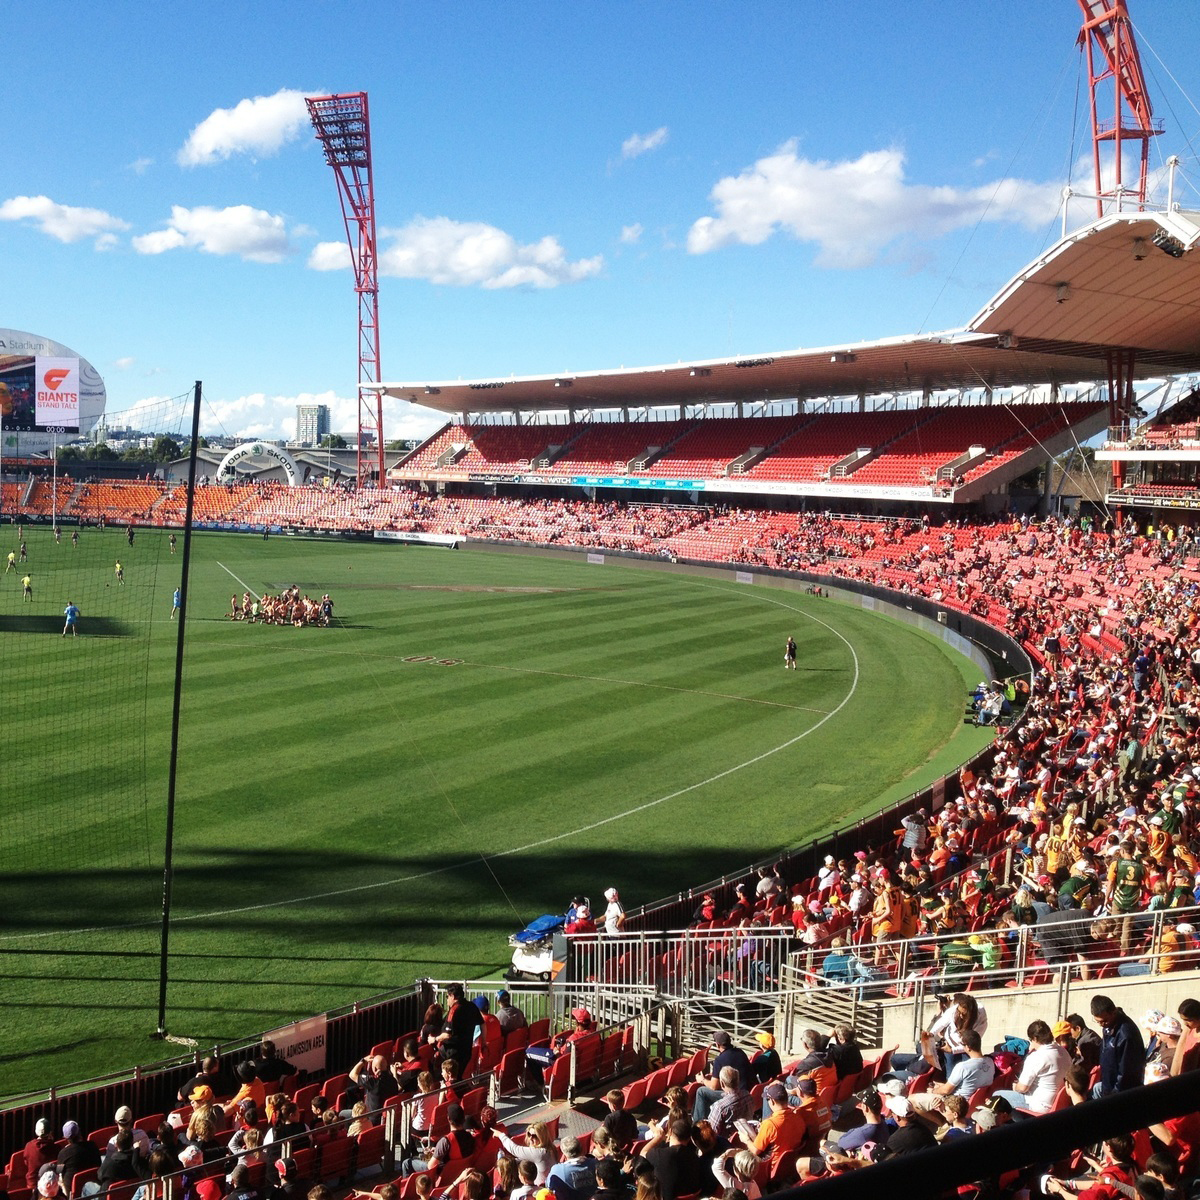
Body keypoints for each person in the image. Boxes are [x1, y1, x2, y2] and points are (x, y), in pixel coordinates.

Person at [989, 1020, 1070, 1113]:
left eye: (1031, 1039)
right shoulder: (1063, 1052)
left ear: (1035, 1038)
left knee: (997, 1095)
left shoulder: (1036, 1057)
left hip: (1039, 1105)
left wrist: (1015, 1087)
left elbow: (1022, 1088)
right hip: (1058, 1103)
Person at [1091, 994, 1145, 1096]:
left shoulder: (1126, 1035)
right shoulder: (1109, 1026)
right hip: (1108, 1086)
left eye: (1104, 1021)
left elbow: (1126, 1073)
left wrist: (1114, 1095)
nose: (1102, 1025)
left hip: (1120, 1093)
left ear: (1114, 1012)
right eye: (1098, 1022)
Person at [547, 1136, 597, 1200]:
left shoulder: (557, 1170)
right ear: (581, 1148)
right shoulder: (595, 1163)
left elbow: (549, 1186)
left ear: (564, 1153)